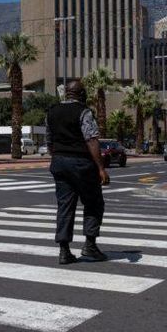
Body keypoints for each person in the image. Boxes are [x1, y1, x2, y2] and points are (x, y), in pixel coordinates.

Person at [45, 79, 110, 265]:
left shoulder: (51, 111)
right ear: (81, 94)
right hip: (81, 164)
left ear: (66, 93)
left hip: (59, 163)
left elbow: (49, 140)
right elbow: (91, 140)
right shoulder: (84, 111)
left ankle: (64, 251)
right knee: (94, 202)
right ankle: (90, 245)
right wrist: (100, 168)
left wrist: (58, 156)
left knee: (65, 206)